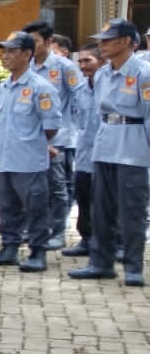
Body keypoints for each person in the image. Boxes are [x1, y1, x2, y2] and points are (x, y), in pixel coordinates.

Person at [69, 18, 150, 286]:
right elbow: (98, 113)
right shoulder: (103, 73)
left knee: (132, 211)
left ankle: (133, 267)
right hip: (104, 145)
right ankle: (100, 262)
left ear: (125, 42)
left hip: (132, 145)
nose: (101, 45)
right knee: (101, 209)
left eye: (107, 40)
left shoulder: (143, 72)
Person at [0, 32, 61, 272]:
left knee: (35, 208)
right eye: (4, 51)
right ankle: (9, 248)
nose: (5, 56)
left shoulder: (40, 88)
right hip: (7, 158)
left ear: (27, 54)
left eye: (12, 51)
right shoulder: (3, 87)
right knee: (7, 207)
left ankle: (38, 252)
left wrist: (34, 144)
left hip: (29, 160)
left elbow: (51, 126)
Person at [25, 21, 85, 249]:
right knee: (33, 187)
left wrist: (75, 130)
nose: (30, 45)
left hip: (57, 138)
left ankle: (58, 231)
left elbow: (80, 97)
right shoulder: (27, 66)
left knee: (57, 186)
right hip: (31, 138)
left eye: (35, 41)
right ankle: (36, 228)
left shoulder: (64, 67)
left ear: (49, 42)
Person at [63, 43, 102, 259]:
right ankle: (86, 239)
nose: (83, 65)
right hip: (84, 154)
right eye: (80, 61)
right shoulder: (80, 90)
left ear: (101, 61)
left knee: (106, 201)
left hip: (107, 153)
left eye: (88, 60)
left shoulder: (107, 87)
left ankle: (112, 242)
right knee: (84, 198)